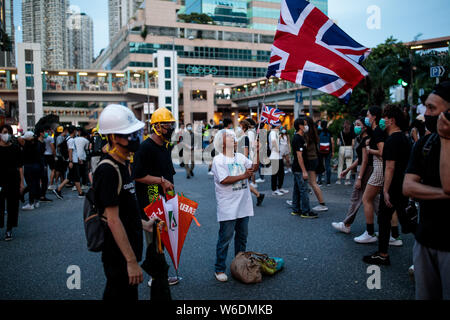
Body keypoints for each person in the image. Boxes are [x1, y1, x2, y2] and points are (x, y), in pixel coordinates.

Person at [94, 104, 156, 300]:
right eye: (129, 134)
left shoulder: (124, 164)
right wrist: (130, 262)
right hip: (118, 255)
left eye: (135, 133)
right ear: (112, 137)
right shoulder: (108, 169)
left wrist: (145, 224)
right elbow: (112, 220)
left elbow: (125, 212)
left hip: (129, 247)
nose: (135, 138)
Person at [403, 81, 450, 300]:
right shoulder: (424, 144)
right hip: (424, 241)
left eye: (432, 109)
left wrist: (446, 138)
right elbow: (408, 186)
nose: (426, 114)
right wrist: (442, 194)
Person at [133, 107, 179, 286]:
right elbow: (137, 175)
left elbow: (169, 172)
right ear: (157, 127)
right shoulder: (144, 148)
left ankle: (160, 273)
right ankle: (156, 278)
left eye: (171, 124)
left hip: (165, 199)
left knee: (163, 237)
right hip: (150, 199)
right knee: (154, 239)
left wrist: (171, 194)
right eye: (167, 125)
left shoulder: (165, 146)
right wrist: (161, 181)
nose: (171, 128)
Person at [363, 105, 412, 265]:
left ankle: (383, 254)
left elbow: (390, 167)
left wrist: (385, 190)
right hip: (403, 184)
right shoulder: (404, 138)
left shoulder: (392, 140)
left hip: (393, 186)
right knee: (403, 219)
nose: (382, 120)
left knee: (385, 219)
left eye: (385, 117)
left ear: (392, 120)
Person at [211, 128, 259, 282]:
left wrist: (257, 151)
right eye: (229, 137)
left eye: (234, 136)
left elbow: (254, 167)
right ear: (222, 143)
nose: (234, 139)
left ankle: (240, 266)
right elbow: (224, 180)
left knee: (242, 238)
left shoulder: (240, 156)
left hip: (243, 205)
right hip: (228, 207)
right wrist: (244, 175)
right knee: (225, 238)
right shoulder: (218, 160)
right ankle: (219, 269)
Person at [332, 118, 374, 234]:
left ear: (365, 127)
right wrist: (347, 169)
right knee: (373, 200)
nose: (355, 126)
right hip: (365, 170)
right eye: (355, 124)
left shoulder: (366, 140)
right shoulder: (362, 139)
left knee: (358, 198)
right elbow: (360, 160)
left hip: (365, 171)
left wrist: (359, 178)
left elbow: (364, 161)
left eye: (358, 124)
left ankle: (347, 224)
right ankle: (390, 230)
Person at [355, 106, 385, 244]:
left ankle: (370, 232)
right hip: (381, 169)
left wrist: (369, 149)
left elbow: (382, 152)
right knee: (385, 202)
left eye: (368, 115)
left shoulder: (377, 131)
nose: (366, 118)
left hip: (379, 168)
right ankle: (392, 233)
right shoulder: (377, 131)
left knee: (367, 199)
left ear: (373, 117)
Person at [0, 125, 24, 241]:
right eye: (4, 132)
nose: (7, 135)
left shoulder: (15, 148)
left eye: (9, 132)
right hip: (0, 181)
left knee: (12, 206)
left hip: (13, 180)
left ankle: (9, 229)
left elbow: (20, 167)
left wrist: (21, 183)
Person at [290, 117, 317, 219]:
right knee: (304, 189)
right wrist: (304, 171)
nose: (307, 126)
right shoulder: (298, 138)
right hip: (299, 169)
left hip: (297, 168)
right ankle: (306, 211)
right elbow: (299, 156)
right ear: (300, 126)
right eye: (305, 124)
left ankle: (296, 209)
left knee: (297, 189)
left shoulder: (301, 137)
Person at [237, 120, 265, 206]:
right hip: (245, 161)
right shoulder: (245, 136)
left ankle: (256, 196)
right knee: (243, 181)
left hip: (244, 162)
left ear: (244, 128)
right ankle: (258, 195)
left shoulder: (245, 137)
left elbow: (245, 152)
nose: (238, 128)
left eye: (240, 126)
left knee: (242, 181)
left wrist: (243, 164)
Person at [52, 126, 84, 199]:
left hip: (73, 160)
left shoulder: (68, 138)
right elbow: (70, 151)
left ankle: (80, 192)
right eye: (76, 131)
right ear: (74, 131)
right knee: (74, 177)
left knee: (72, 177)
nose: (76, 132)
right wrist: (70, 161)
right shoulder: (71, 140)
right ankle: (59, 189)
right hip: (73, 161)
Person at [304, 116, 328, 212]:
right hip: (313, 159)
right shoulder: (313, 133)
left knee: (313, 183)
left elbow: (305, 147)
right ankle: (297, 200)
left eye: (305, 124)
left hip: (311, 159)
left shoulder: (308, 135)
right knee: (310, 182)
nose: (303, 126)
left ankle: (322, 204)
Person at [19, 131, 41, 210]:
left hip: (29, 167)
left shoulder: (26, 146)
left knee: (31, 184)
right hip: (37, 166)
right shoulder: (37, 144)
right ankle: (36, 201)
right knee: (36, 183)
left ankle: (31, 203)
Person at [269, 125, 288, 196]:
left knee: (281, 173)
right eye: (279, 124)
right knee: (275, 174)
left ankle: (280, 187)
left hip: (279, 156)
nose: (280, 125)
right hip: (274, 156)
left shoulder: (277, 132)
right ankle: (274, 190)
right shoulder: (272, 133)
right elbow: (273, 144)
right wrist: (278, 150)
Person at [336, 120, 355, 185]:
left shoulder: (340, 133)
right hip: (349, 148)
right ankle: (347, 180)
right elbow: (353, 143)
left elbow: (338, 143)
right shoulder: (352, 133)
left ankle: (339, 179)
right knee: (349, 164)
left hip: (342, 148)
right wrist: (351, 149)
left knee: (340, 164)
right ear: (349, 125)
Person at [317, 120, 334, 186]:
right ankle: (328, 182)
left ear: (321, 125)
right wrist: (332, 151)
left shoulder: (319, 132)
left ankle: (319, 181)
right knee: (328, 165)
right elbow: (332, 142)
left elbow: (317, 141)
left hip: (320, 151)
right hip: (328, 150)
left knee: (320, 165)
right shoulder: (329, 132)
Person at [43, 126, 56, 191]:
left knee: (44, 169)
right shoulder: (50, 138)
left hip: (43, 155)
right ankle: (50, 184)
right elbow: (52, 148)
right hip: (50, 155)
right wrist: (54, 155)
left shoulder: (41, 138)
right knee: (53, 169)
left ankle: (42, 183)